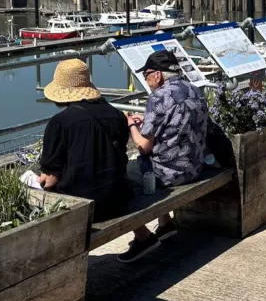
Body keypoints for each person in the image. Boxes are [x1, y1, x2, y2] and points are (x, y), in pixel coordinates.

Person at [119, 50, 209, 263]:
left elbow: (143, 147)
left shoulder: (159, 97)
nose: (146, 80)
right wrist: (147, 122)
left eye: (147, 75)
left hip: (169, 174)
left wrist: (131, 124)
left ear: (157, 75)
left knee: (119, 177)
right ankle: (165, 223)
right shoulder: (194, 89)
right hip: (195, 167)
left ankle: (142, 238)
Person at [38, 59, 133, 219]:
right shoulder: (117, 115)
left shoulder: (60, 121)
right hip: (118, 199)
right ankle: (144, 236)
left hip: (80, 206)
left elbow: (51, 178)